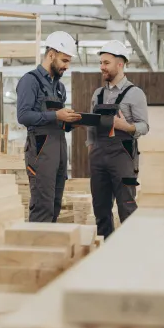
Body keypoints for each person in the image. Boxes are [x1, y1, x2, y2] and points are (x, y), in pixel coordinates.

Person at [16, 31, 82, 223]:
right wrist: (56, 115)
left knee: (54, 204)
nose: (66, 66)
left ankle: (48, 249)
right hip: (40, 149)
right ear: (51, 54)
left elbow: (57, 121)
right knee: (42, 205)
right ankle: (35, 251)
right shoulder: (30, 81)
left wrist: (70, 121)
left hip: (59, 148)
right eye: (64, 60)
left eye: (69, 61)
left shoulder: (59, 87)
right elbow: (23, 116)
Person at [86, 40, 149, 239]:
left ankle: (131, 251)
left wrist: (127, 127)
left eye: (106, 63)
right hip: (98, 155)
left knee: (127, 207)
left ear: (120, 64)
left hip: (123, 157)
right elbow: (92, 123)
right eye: (101, 63)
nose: (102, 67)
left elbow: (144, 126)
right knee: (101, 208)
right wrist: (90, 145)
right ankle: (106, 251)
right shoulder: (98, 94)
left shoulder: (135, 94)